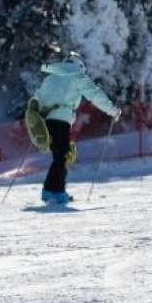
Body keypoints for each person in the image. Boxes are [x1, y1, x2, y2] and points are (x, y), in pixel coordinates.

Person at [31, 52, 120, 205]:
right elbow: (95, 94)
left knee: (60, 156)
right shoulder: (77, 75)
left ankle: (54, 190)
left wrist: (36, 119)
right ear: (80, 66)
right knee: (63, 156)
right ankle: (54, 191)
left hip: (46, 120)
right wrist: (113, 110)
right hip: (61, 119)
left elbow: (38, 97)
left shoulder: (52, 76)